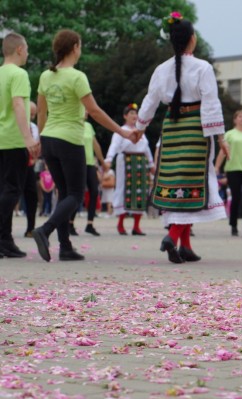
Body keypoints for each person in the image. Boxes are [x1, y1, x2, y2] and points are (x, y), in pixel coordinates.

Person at [32, 29, 138, 262]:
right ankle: (45, 230)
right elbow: (94, 111)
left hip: (49, 138)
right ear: (74, 48)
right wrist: (122, 131)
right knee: (76, 195)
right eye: (80, 45)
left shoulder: (45, 76)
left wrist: (40, 139)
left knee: (64, 194)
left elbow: (41, 111)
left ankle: (66, 247)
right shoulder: (77, 77)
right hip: (69, 139)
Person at [136, 12, 228, 263]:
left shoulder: (161, 69)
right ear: (191, 39)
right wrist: (220, 138)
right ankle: (173, 235)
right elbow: (210, 103)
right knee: (193, 182)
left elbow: (150, 101)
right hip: (196, 129)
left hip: (173, 128)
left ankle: (185, 245)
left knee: (176, 181)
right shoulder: (203, 67)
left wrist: (139, 128)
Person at [0, 32, 41, 258]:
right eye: (26, 49)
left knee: (4, 189)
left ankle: (5, 239)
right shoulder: (19, 74)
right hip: (13, 139)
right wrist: (28, 138)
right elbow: (18, 104)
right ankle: (2, 238)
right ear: (18, 50)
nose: (27, 53)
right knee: (12, 190)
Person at [105, 103, 154, 236]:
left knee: (140, 192)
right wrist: (108, 159)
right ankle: (120, 224)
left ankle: (136, 226)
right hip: (125, 162)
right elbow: (114, 146)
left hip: (140, 164)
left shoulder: (141, 132)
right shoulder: (121, 131)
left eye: (135, 113)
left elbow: (147, 148)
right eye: (131, 113)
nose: (134, 115)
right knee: (123, 190)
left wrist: (151, 164)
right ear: (125, 116)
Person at [69, 113, 106, 236]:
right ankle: (70, 223)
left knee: (94, 192)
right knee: (78, 194)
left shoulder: (89, 126)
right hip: (77, 163)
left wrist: (102, 162)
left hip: (90, 163)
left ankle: (90, 224)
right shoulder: (72, 125)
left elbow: (96, 145)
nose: (85, 112)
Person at [22, 101, 40, 238]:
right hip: (15, 162)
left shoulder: (34, 127)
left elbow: (38, 144)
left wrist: (35, 157)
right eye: (30, 113)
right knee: (10, 194)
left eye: (34, 114)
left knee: (32, 196)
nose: (32, 117)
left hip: (30, 165)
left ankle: (30, 228)